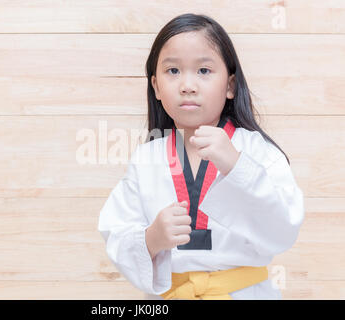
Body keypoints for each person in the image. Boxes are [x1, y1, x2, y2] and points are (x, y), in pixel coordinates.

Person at [97, 13, 305, 300]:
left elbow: (284, 229)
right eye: (173, 71)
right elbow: (116, 231)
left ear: (230, 85)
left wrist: (237, 166)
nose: (188, 85)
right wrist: (151, 238)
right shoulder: (147, 157)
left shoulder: (255, 150)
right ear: (156, 86)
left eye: (204, 71)